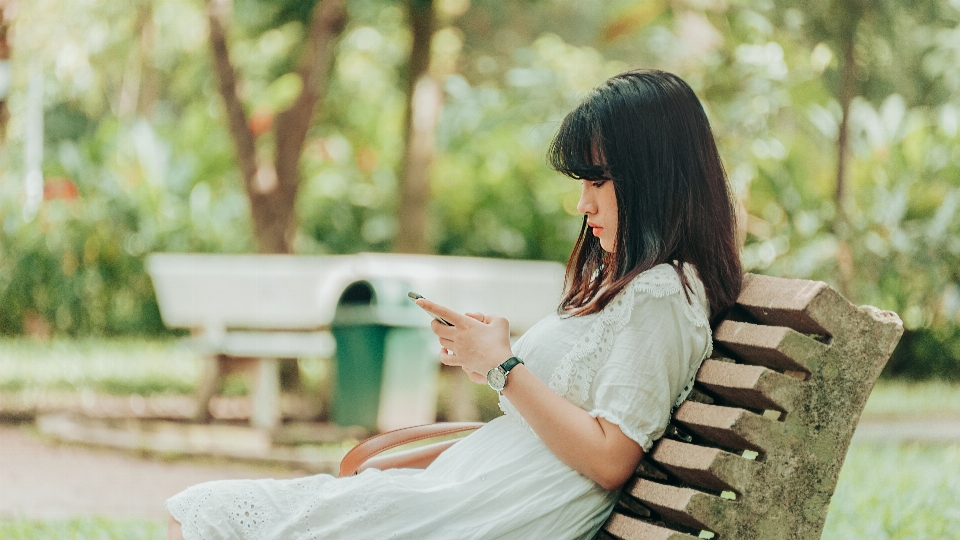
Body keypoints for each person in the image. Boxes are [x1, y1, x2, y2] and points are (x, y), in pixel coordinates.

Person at [166, 68, 742, 540]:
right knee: (205, 515)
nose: (582, 204)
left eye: (598, 181)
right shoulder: (636, 286)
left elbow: (611, 456)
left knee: (207, 518)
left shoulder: (662, 294)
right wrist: (490, 358)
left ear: (654, 178)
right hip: (467, 493)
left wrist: (504, 367)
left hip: (491, 514)